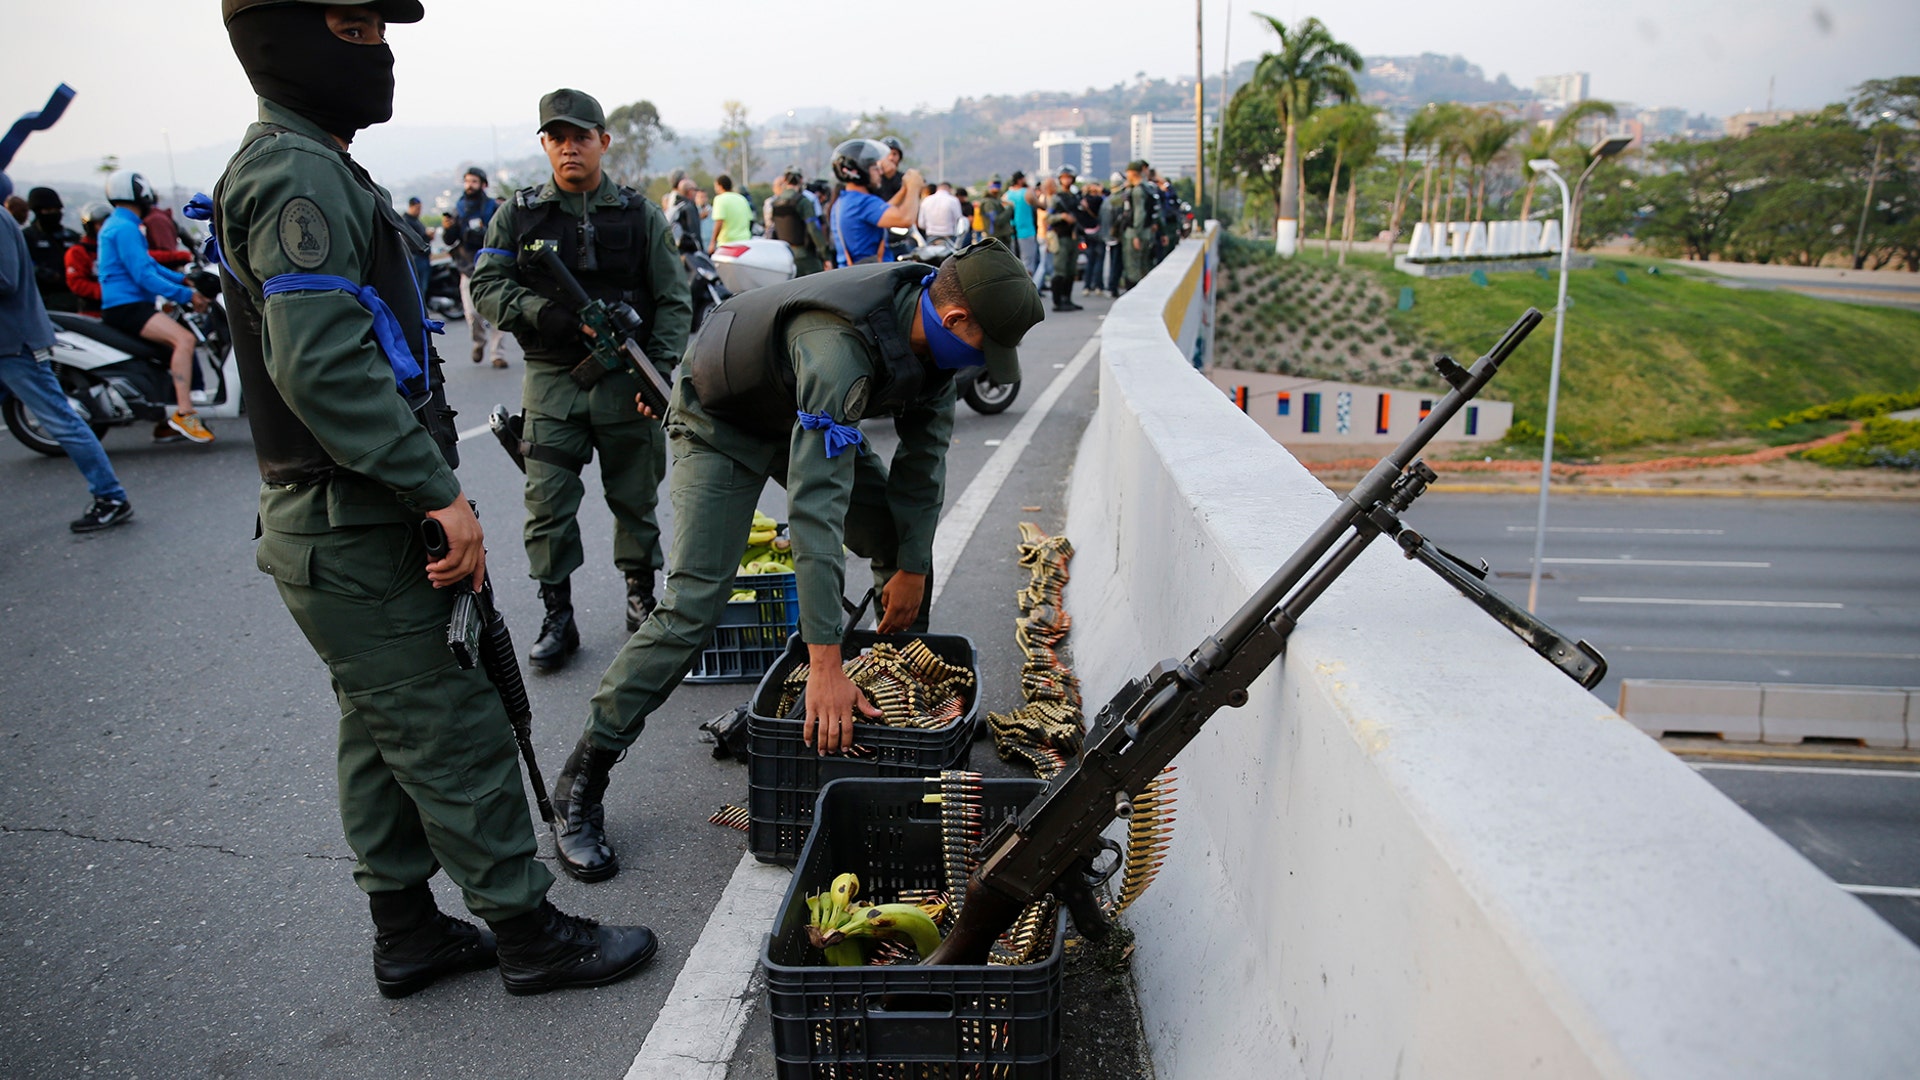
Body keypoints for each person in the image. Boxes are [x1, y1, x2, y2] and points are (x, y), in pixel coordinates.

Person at [215, 0, 656, 997]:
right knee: (450, 726)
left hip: (343, 516)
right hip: (356, 515)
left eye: (379, 33)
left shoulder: (315, 164)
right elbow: (323, 369)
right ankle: (530, 934)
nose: (380, 54)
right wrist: (437, 491)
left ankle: (407, 930)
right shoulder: (293, 172)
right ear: (284, 36)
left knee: (382, 731)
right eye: (355, 30)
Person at [545, 238, 1045, 882]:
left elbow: (923, 470)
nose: (985, 365)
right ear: (954, 321)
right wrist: (825, 665)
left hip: (799, 412)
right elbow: (818, 513)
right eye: (986, 349)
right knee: (693, 605)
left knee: (896, 548)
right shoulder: (842, 353)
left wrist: (912, 567)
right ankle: (583, 779)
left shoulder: (935, 351)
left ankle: (908, 715)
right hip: (719, 424)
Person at [469, 88, 693, 672]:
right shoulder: (517, 215)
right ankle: (557, 615)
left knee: (636, 499)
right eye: (557, 138)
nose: (569, 148)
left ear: (603, 142)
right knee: (546, 504)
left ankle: (640, 597)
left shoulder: (640, 213)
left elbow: (673, 299)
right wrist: (546, 313)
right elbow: (486, 287)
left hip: (627, 379)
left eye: (581, 137)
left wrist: (658, 369)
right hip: (552, 382)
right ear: (545, 144)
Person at [1, 172, 134, 532]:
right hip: (14, 339)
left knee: (61, 419)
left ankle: (111, 496)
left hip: (15, 343)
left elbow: (6, 279)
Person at [96, 169, 214, 443]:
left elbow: (148, 264)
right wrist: (185, 295)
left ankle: (167, 422)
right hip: (128, 305)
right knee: (184, 340)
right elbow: (143, 275)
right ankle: (185, 413)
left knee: (166, 353)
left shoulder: (119, 224)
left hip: (127, 304)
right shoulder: (125, 228)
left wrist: (183, 279)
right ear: (139, 192)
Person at [442, 166, 505, 366]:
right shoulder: (458, 210)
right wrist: (449, 228)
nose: (470, 185)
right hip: (467, 267)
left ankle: (497, 354)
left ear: (483, 184)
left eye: (474, 181)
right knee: (471, 313)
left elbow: (502, 235)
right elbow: (449, 240)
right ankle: (479, 341)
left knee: (498, 312)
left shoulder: (492, 209)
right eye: (467, 181)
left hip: (493, 266)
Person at [827, 138, 921, 267]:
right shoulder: (862, 203)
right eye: (874, 168)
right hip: (873, 278)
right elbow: (905, 219)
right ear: (861, 172)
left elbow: (884, 209)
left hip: (854, 274)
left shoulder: (845, 200)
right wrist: (913, 187)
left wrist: (904, 189)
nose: (880, 172)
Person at [22, 188, 81, 312]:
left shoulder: (71, 236)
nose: (53, 214)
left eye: (57, 210)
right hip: (42, 302)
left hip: (74, 299)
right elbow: (23, 266)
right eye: (48, 210)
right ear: (38, 212)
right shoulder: (27, 237)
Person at [767, 169, 828, 277]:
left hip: (784, 255)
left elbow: (772, 229)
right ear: (800, 180)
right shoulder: (804, 201)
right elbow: (813, 229)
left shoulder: (775, 203)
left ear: (785, 180)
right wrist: (826, 255)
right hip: (804, 256)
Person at [64, 203, 112, 314]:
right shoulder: (78, 252)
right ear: (90, 226)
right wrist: (108, 292)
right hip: (91, 310)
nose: (105, 228)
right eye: (100, 224)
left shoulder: (116, 248)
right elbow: (77, 283)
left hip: (119, 306)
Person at [1046, 168, 1082, 312]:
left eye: (1069, 177)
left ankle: (1067, 299)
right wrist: (1062, 217)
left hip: (1073, 236)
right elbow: (1048, 218)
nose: (1067, 180)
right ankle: (1058, 301)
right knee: (1060, 270)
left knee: (1071, 270)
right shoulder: (1056, 198)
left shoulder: (1075, 197)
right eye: (1064, 177)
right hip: (1061, 237)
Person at [1121, 159, 1155, 290]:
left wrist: (1136, 234)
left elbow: (1139, 214)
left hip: (1135, 233)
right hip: (1146, 232)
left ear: (1132, 173)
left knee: (1132, 268)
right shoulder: (1148, 188)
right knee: (1143, 266)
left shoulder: (1137, 191)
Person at [1006, 171, 1039, 282]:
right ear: (1020, 180)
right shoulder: (1027, 192)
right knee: (1028, 262)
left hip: (1012, 232)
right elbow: (1040, 205)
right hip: (1027, 231)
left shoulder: (1007, 195)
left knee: (1014, 262)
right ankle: (1029, 287)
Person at [707, 173, 751, 251]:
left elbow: (719, 222)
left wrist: (713, 242)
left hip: (728, 243)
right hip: (745, 241)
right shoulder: (741, 199)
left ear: (720, 186)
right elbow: (749, 219)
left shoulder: (720, 199)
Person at [1076, 180, 1105, 298]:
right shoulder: (1100, 200)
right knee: (1099, 261)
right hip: (1098, 232)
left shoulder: (1083, 201)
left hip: (1086, 233)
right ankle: (1098, 286)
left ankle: (1087, 286)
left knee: (1089, 261)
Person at [1101, 171, 1126, 296]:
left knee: (1113, 263)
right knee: (1116, 264)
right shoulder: (1118, 200)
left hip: (1109, 236)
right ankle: (1113, 286)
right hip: (1117, 237)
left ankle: (1111, 286)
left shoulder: (1107, 200)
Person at [401, 195, 431, 292]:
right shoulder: (406, 221)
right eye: (418, 208)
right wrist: (426, 236)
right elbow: (412, 240)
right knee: (418, 289)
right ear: (411, 207)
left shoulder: (416, 221)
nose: (419, 211)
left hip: (423, 257)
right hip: (416, 257)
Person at [978, 176, 1013, 247]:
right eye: (995, 183)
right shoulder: (989, 202)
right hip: (997, 238)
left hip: (1001, 237)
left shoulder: (996, 200)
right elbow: (997, 221)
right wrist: (1009, 209)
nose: (996, 186)